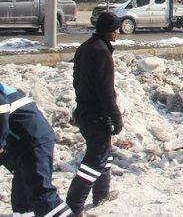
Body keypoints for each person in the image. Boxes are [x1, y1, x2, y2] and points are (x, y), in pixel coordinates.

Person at [66, 12, 123, 216]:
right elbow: (105, 91)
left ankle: (101, 194)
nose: (118, 32)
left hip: (84, 109)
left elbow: (76, 80)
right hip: (96, 114)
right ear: (110, 31)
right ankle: (74, 204)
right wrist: (116, 117)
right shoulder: (101, 52)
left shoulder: (85, 47)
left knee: (103, 154)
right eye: (117, 29)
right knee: (94, 160)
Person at [0, 82, 73, 217]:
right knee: (21, 201)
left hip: (33, 139)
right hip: (22, 144)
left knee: (42, 196)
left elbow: (2, 106)